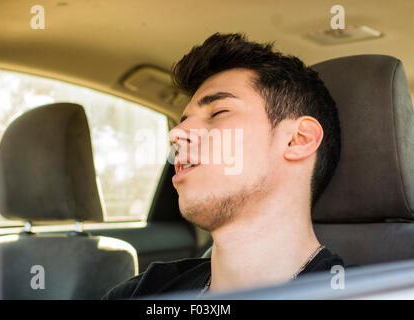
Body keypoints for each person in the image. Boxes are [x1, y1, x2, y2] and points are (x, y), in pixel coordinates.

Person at [103, 32, 343, 299]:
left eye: (218, 112)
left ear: (298, 140)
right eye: (182, 121)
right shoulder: (142, 292)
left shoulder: (362, 293)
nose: (177, 134)